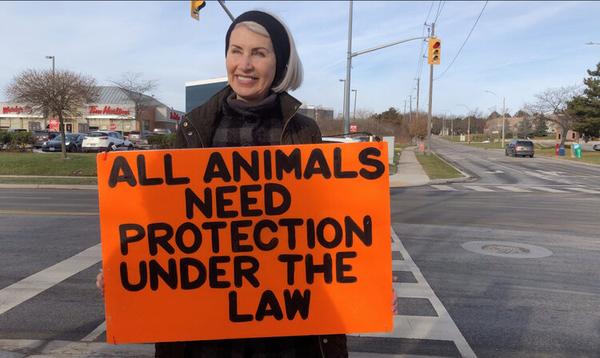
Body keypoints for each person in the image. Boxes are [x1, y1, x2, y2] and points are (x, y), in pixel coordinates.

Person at [98, 9, 348, 357]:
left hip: (284, 328)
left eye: (259, 53)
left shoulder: (304, 131)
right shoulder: (195, 127)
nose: (244, 64)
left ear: (281, 62)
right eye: (236, 50)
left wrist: (365, 280)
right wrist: (125, 268)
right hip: (207, 335)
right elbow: (167, 221)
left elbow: (324, 222)